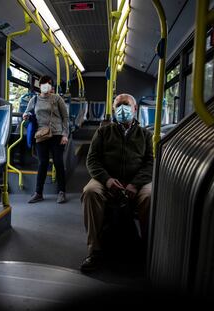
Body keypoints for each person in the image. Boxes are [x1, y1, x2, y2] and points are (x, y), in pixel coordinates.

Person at [80, 93, 153, 272]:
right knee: (90, 191)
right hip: (107, 178)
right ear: (113, 109)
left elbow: (150, 163)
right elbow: (92, 159)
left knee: (149, 196)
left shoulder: (145, 135)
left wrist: (135, 184)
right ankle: (94, 250)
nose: (122, 109)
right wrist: (107, 180)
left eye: (126, 105)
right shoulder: (104, 132)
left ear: (135, 109)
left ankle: (147, 248)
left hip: (137, 181)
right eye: (118, 105)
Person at [23, 75, 69, 204]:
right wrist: (25, 115)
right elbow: (27, 112)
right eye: (43, 83)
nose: (45, 86)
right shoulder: (35, 100)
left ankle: (61, 192)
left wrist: (65, 134)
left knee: (58, 162)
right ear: (39, 86)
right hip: (41, 134)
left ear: (51, 86)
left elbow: (65, 117)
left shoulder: (57, 98)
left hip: (57, 134)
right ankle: (38, 193)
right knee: (42, 163)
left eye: (48, 84)